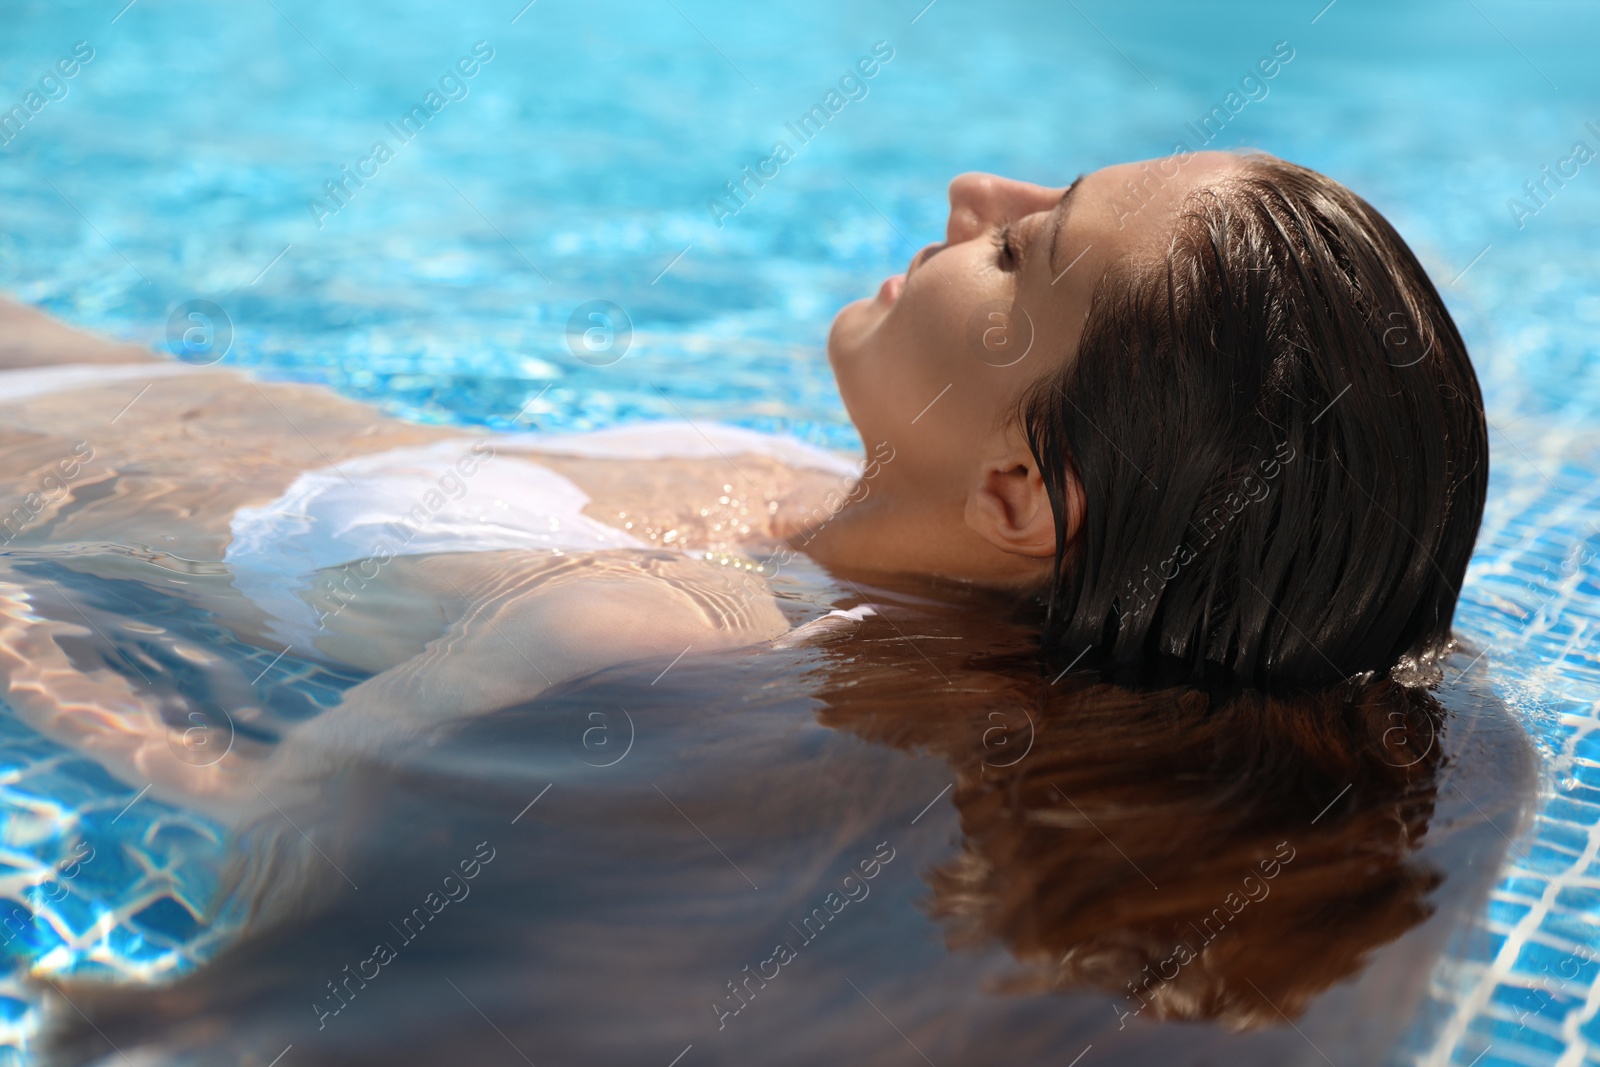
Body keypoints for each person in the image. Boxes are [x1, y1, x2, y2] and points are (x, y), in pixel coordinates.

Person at [0, 149, 1486, 817]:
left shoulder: (645, 631)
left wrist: (18, 645)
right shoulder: (832, 492)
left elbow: (256, 820)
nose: (978, 194)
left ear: (1022, 501)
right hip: (105, 384)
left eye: (1029, 244)